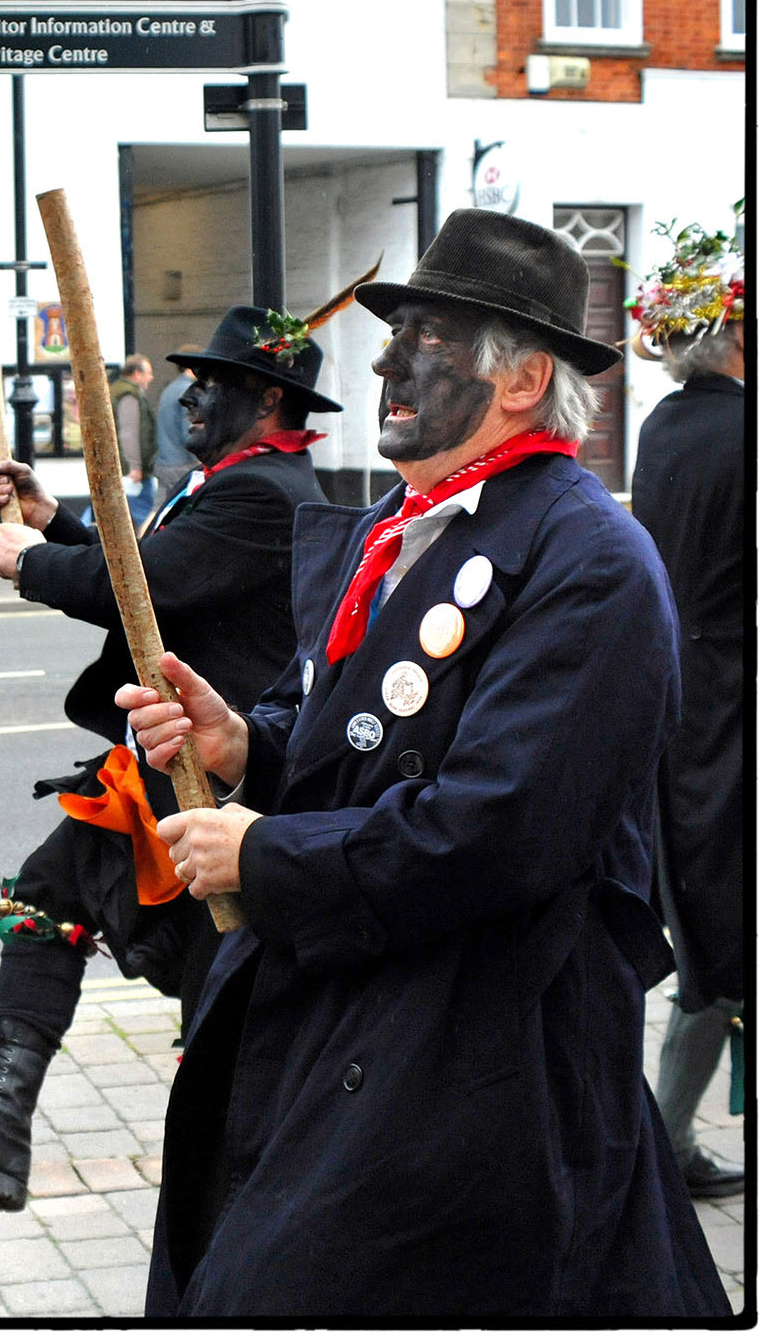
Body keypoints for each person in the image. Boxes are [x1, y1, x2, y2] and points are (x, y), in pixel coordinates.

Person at [119, 210, 729, 1315]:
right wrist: (242, 744)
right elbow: (347, 737)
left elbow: (497, 829)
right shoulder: (390, 531)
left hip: (482, 1060)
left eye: (429, 339)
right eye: (398, 336)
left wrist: (262, 856)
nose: (386, 362)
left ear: (523, 380)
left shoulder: (592, 561)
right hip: (352, 1011)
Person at [0, 306, 337, 1213]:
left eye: (213, 384)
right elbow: (145, 560)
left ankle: (240, 1210)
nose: (190, 397)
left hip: (223, 788)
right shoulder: (233, 481)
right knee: (45, 892)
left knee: (222, 995)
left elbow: (146, 588)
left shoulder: (268, 493)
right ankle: (2, 1123)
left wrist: (29, 563)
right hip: (162, 772)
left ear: (268, 398)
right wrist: (51, 519)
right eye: (192, 381)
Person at [625, 216, 745, 1201]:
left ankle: (660, 1135)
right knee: (722, 921)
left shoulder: (662, 425)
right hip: (732, 700)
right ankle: (663, 1139)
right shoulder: (747, 432)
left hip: (678, 689)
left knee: (702, 907)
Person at [83, 353, 158, 526]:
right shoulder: (128, 395)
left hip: (123, 469)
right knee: (144, 516)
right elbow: (128, 432)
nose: (151, 377)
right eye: (148, 373)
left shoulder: (120, 391)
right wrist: (135, 466)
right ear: (137, 373)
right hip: (131, 472)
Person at [152, 364, 200, 496]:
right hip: (183, 464)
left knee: (162, 506)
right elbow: (189, 431)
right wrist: (200, 457)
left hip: (164, 462)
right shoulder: (188, 391)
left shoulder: (170, 388)